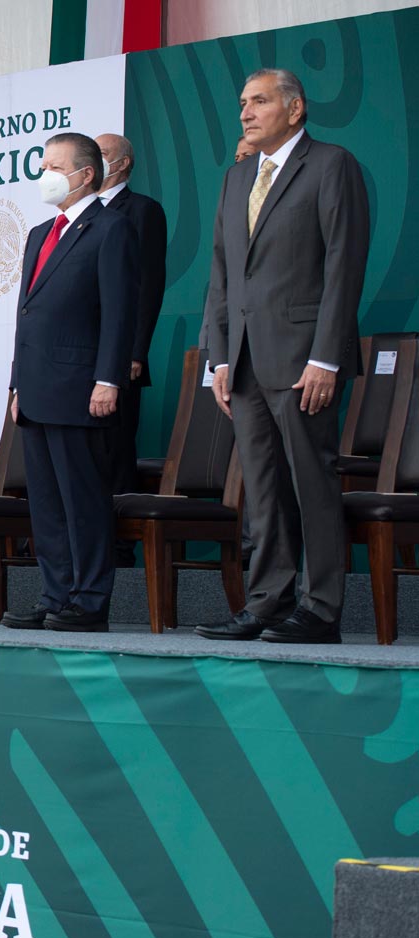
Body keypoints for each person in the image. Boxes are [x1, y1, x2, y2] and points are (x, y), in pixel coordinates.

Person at [196, 68, 370, 645]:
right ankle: (268, 602)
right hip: (244, 361)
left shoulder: (331, 164)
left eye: (260, 101)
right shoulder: (237, 176)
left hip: (303, 360)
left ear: (295, 109)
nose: (245, 112)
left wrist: (327, 358)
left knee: (311, 482)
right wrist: (219, 358)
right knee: (263, 488)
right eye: (243, 102)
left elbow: (344, 264)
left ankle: (320, 609)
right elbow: (222, 273)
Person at [4, 132, 137, 633]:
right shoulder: (40, 233)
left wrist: (108, 379)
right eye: (43, 167)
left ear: (85, 174)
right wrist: (17, 385)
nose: (46, 176)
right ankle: (55, 595)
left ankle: (89, 600)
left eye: (55, 168)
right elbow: (27, 313)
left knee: (83, 500)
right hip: (36, 389)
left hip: (81, 388)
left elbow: (119, 312)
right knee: (46, 503)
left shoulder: (111, 228)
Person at [95, 132, 168, 566]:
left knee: (117, 450)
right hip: (80, 356)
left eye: (102, 154)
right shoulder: (79, 214)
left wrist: (135, 351)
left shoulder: (142, 210)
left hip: (121, 356)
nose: (95, 159)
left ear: (122, 164)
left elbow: (148, 284)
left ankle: (119, 547)